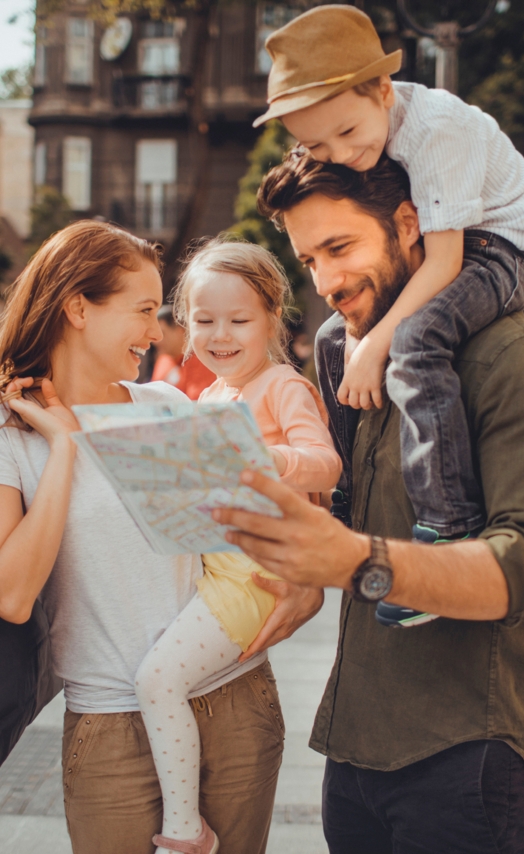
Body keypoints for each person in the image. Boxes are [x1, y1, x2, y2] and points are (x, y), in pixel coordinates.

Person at [212, 150, 524, 854]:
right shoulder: (340, 353)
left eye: (341, 247)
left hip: (470, 758)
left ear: (410, 225)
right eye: (309, 258)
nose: (325, 280)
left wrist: (360, 561)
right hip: (353, 751)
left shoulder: (518, 361)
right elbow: (352, 515)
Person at [0, 221, 322, 854]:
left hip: (236, 700)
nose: (159, 332)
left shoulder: (168, 405)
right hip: (110, 722)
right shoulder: (14, 435)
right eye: (145, 311)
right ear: (77, 308)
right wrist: (66, 447)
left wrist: (304, 580)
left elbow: (249, 529)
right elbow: (12, 593)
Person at [253, 6, 524, 630]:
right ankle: (346, 505)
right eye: (316, 146)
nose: (342, 157)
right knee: (333, 338)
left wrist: (377, 349)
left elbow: (445, 260)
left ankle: (448, 524)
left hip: (508, 247)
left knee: (417, 340)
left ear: (384, 90)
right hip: (459, 246)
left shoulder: (436, 130)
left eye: (344, 134)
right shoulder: (350, 132)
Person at [134, 237, 341, 854]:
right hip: (216, 562)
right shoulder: (210, 398)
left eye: (239, 320)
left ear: (273, 318)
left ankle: (185, 827)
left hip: (253, 574)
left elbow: (326, 464)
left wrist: (269, 455)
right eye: (203, 320)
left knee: (157, 678)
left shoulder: (282, 386)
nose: (219, 334)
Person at [151, 304, 215, 399]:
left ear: (180, 331)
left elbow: (197, 401)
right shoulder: (163, 360)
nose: (156, 341)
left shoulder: (204, 360)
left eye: (163, 333)